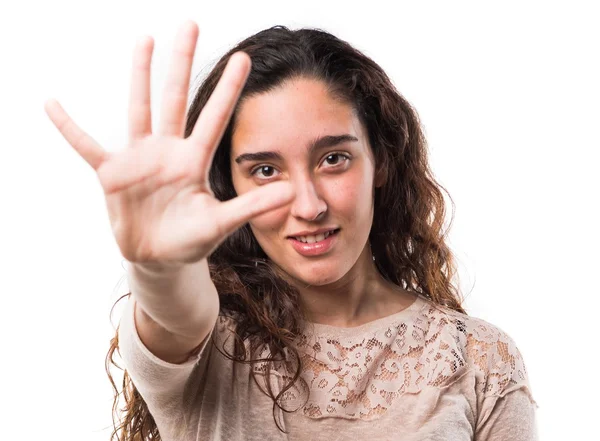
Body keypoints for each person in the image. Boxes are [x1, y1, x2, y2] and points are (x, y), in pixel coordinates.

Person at [45, 20, 538, 441]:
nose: (309, 205)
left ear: (380, 161)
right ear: (228, 185)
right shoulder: (208, 343)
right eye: (265, 170)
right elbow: (174, 313)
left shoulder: (477, 360)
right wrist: (158, 266)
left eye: (333, 159)